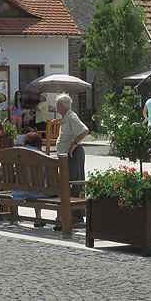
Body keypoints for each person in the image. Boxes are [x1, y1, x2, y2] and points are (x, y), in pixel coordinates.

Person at [55, 94, 89, 225]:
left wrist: (74, 144)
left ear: (62, 106)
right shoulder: (66, 117)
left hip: (73, 154)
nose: (57, 108)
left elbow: (84, 130)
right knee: (69, 183)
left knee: (76, 183)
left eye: (58, 105)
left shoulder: (71, 116)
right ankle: (71, 212)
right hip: (66, 155)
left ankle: (78, 214)